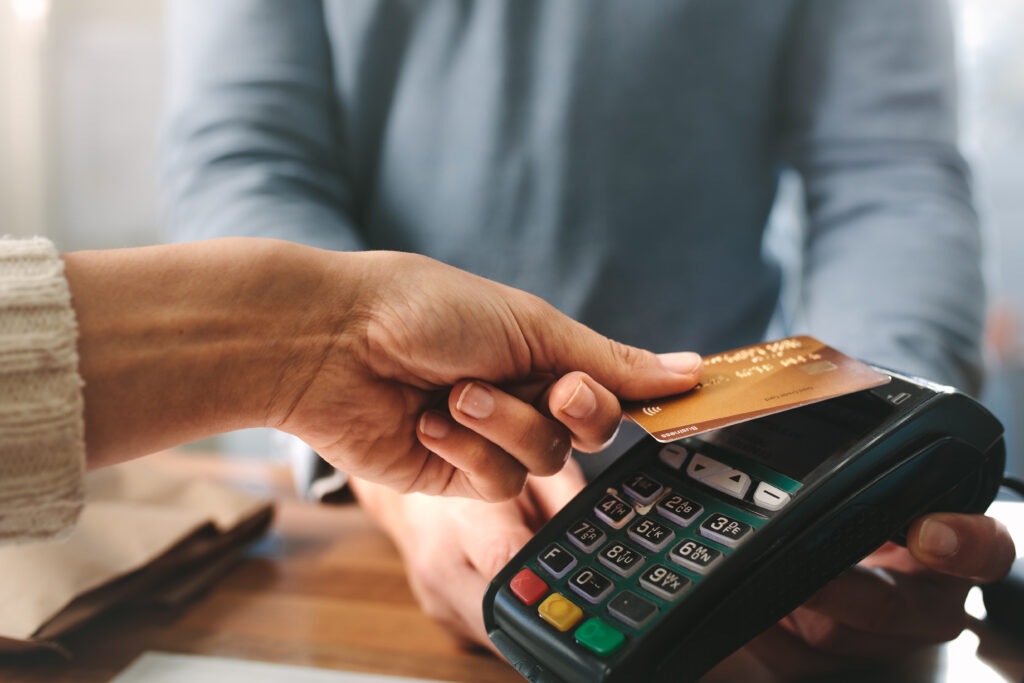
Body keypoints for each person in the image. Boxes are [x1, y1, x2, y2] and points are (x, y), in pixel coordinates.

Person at [160, 0, 1016, 674]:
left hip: (733, 477)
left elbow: (887, 169)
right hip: (368, 508)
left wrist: (874, 457)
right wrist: (384, 449)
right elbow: (245, 156)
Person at [0, 235, 702, 542]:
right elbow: (240, 144)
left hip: (704, 482)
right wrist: (329, 346)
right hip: (369, 517)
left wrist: (327, 345)